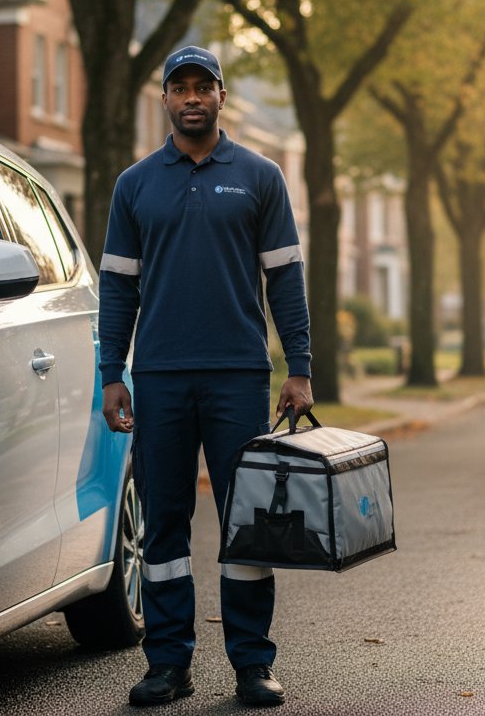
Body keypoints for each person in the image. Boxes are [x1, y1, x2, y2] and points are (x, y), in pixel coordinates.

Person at [98, 45, 313, 708]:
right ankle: (168, 663)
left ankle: (252, 664)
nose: (191, 98)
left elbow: (286, 278)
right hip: (159, 377)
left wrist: (298, 368)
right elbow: (116, 290)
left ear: (222, 96)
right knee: (164, 524)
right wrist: (113, 373)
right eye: (179, 88)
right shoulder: (135, 185)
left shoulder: (260, 177)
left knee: (244, 523)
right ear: (165, 99)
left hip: (238, 376)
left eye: (203, 87)